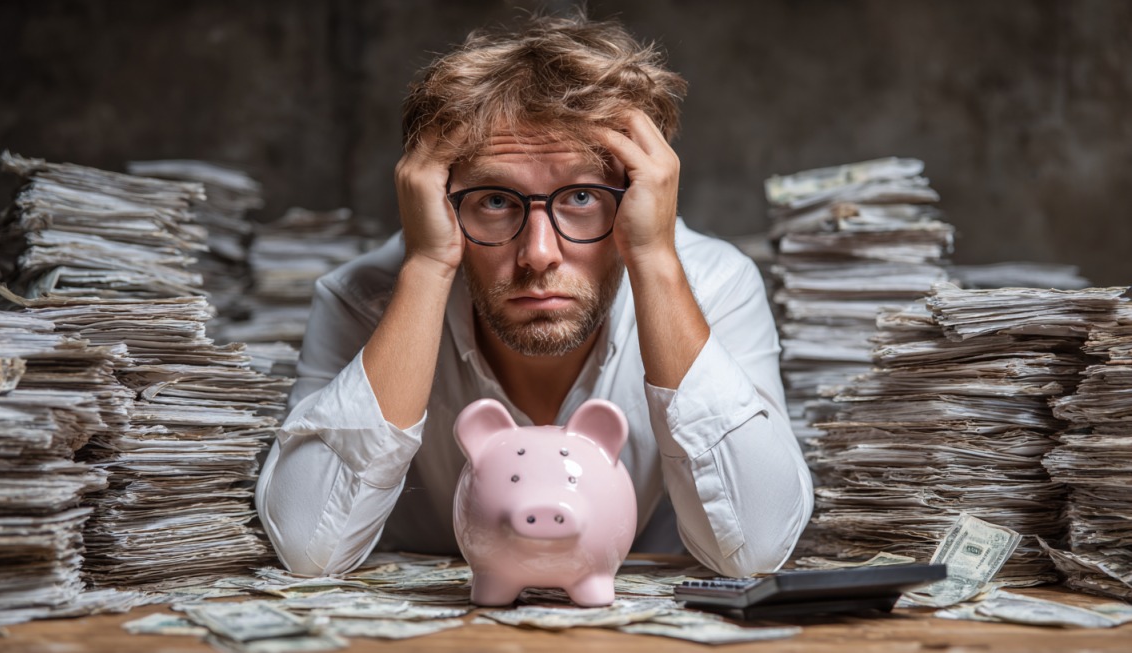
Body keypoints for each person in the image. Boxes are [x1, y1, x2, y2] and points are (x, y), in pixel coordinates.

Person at [256, 12, 813, 578]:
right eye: (495, 201)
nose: (539, 253)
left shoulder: (713, 284)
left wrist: (653, 259)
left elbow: (756, 547)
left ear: (643, 195)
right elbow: (309, 548)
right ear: (437, 201)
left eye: (582, 196)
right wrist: (426, 266)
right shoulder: (362, 298)